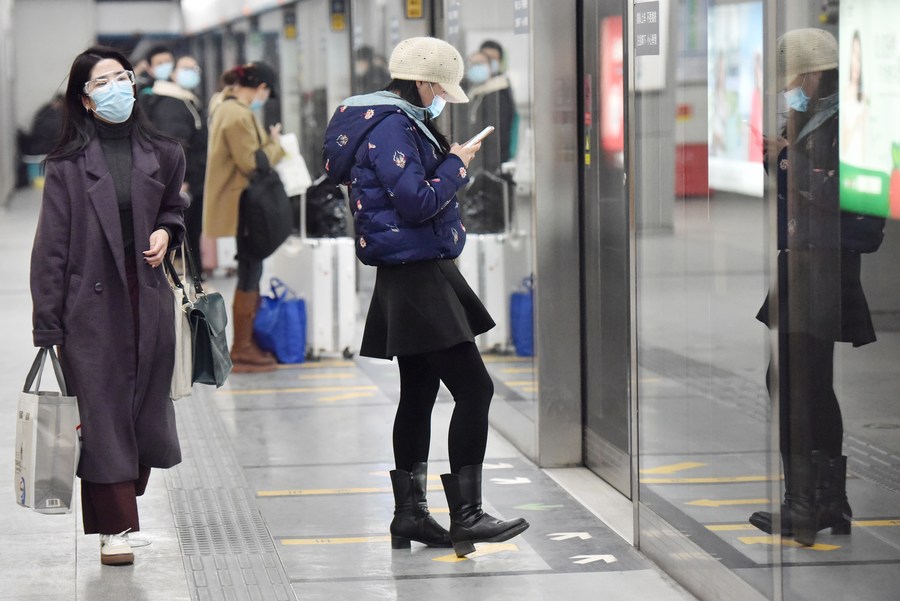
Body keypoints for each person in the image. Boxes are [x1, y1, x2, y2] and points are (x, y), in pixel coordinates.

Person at [323, 36, 529, 558]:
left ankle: (409, 515)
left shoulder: (390, 120)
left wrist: (449, 159)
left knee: (417, 394)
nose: (441, 99)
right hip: (418, 274)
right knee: (475, 389)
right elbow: (417, 202)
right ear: (420, 82)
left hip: (409, 271)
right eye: (439, 90)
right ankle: (468, 516)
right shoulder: (392, 125)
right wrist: (456, 163)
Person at [30, 46, 187, 566]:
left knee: (141, 411)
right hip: (90, 307)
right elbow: (51, 247)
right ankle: (115, 528)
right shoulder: (67, 165)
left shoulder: (165, 152)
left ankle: (119, 507)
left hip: (147, 298)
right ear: (86, 99)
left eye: (122, 77)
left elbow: (173, 209)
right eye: (102, 82)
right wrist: (47, 325)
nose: (117, 87)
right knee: (101, 416)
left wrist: (167, 232)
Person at [749, 28, 884, 547]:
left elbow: (847, 195)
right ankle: (828, 501)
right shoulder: (815, 119)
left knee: (791, 381)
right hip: (806, 260)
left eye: (793, 80)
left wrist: (789, 157)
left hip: (823, 263)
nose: (789, 90)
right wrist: (780, 157)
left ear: (811, 74)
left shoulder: (848, 123)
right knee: (806, 381)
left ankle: (805, 504)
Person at [203, 62, 284, 372]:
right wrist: (275, 144)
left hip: (239, 202)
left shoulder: (224, 105)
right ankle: (242, 347)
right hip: (244, 203)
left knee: (251, 267)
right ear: (261, 87)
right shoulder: (236, 114)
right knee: (251, 268)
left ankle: (246, 343)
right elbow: (252, 162)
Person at [141, 55, 208, 274]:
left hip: (194, 178)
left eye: (194, 68)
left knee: (192, 230)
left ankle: (193, 274)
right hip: (185, 181)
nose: (191, 72)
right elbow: (174, 145)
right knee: (184, 231)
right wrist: (180, 179)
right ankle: (191, 276)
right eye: (185, 67)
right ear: (173, 73)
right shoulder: (171, 103)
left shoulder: (187, 100)